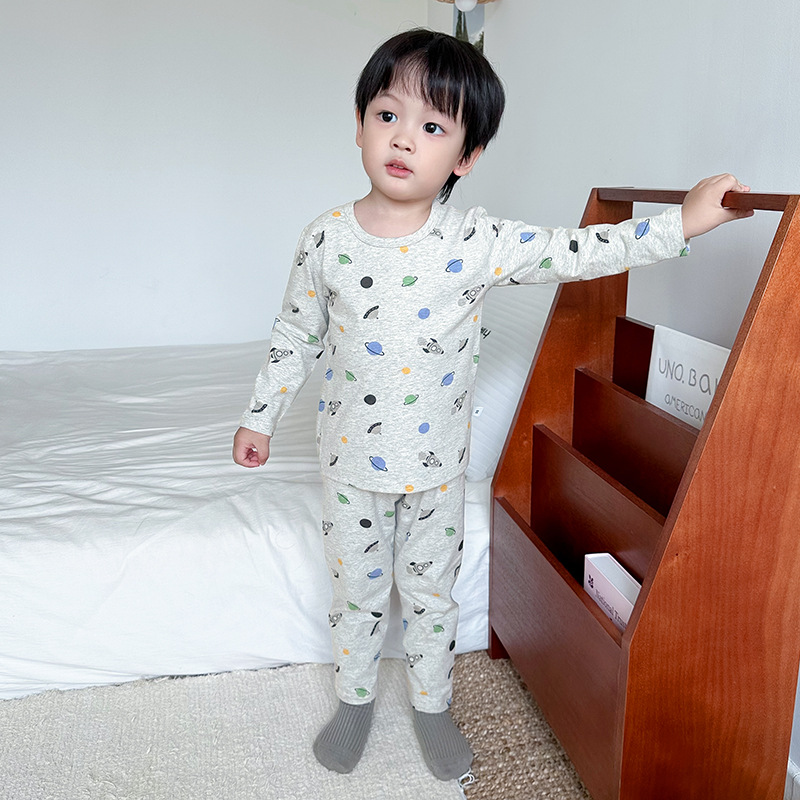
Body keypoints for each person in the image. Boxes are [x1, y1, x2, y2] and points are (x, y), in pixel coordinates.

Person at [232, 28, 752, 783]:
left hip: (435, 468)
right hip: (348, 463)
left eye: (432, 127)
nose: (403, 138)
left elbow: (577, 251)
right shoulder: (325, 240)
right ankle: (353, 700)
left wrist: (685, 223)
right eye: (387, 115)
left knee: (429, 593)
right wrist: (260, 415)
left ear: (466, 157)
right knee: (356, 591)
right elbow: (295, 333)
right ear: (359, 124)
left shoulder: (476, 240)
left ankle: (432, 705)